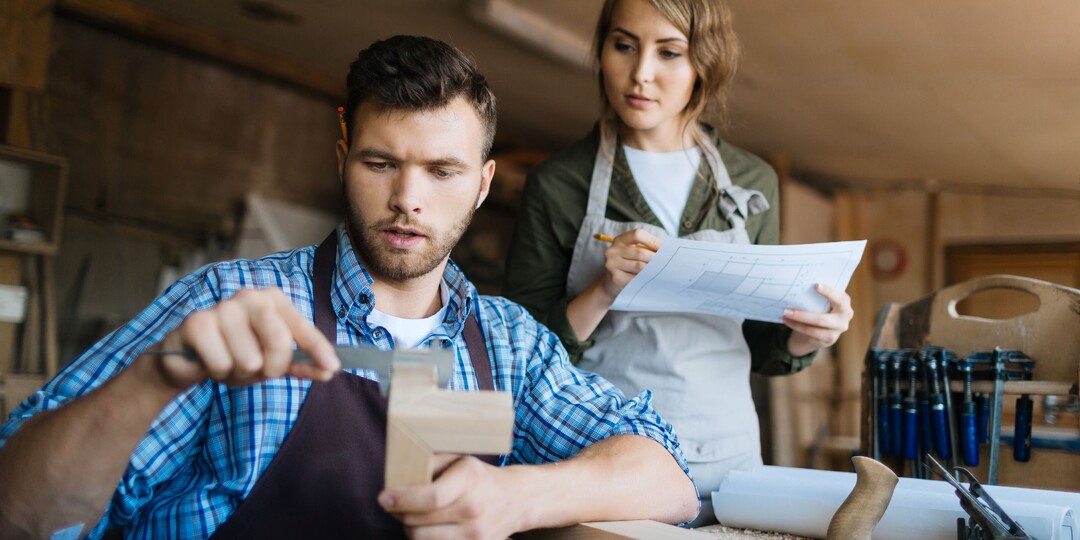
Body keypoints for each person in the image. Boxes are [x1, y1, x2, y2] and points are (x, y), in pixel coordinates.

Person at [0, 35, 699, 539]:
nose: (408, 200)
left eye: (442, 171)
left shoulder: (510, 344)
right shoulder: (227, 304)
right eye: (380, 162)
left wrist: (518, 495)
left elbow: (668, 476)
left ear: (484, 185)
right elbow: (19, 511)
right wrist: (150, 382)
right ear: (343, 161)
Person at [503, 0, 854, 525]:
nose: (640, 74)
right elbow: (522, 352)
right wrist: (602, 289)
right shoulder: (559, 184)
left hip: (730, 462)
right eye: (624, 46)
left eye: (669, 53)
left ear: (704, 65)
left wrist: (813, 333)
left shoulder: (751, 182)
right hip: (609, 458)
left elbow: (763, 345)